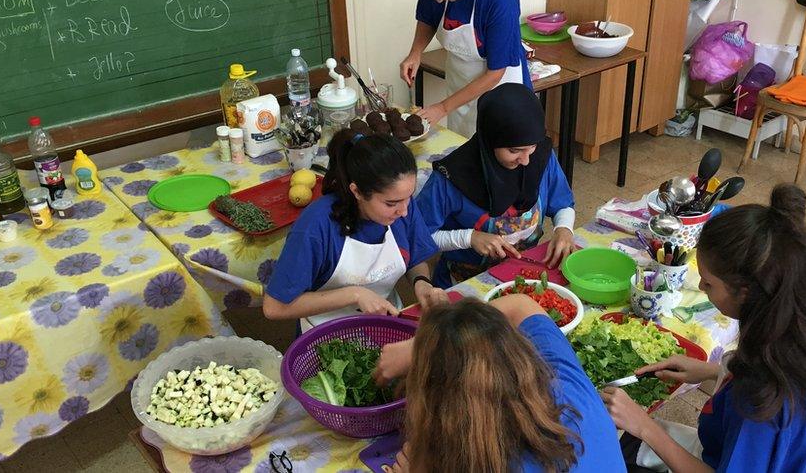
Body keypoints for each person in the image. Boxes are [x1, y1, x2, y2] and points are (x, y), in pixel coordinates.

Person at [602, 185, 806, 472]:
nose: (701, 287)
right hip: (730, 451)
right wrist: (716, 371)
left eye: (709, 283)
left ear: (746, 292)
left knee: (602, 451)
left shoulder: (758, 402)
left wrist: (645, 427)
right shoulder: (805, 326)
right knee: (621, 441)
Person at [373, 295, 627, 473]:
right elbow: (521, 304)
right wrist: (418, 348)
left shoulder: (468, 462)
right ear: (519, 353)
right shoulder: (569, 386)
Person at [263, 130, 448, 331]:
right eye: (391, 203)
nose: (404, 211)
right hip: (326, 333)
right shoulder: (316, 226)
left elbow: (416, 255)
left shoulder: (402, 206)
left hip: (386, 321)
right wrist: (354, 294)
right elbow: (274, 307)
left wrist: (421, 282)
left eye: (409, 197)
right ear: (357, 191)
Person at [414, 83, 576, 288]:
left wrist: (563, 229)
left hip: (524, 274)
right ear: (490, 141)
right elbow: (416, 235)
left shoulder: (541, 158)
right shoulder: (451, 178)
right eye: (514, 150)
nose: (526, 160)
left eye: (532, 147)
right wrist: (469, 238)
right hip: (467, 283)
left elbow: (562, 202)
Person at [400, 0, 531, 137]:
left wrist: (442, 108)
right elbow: (428, 17)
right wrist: (415, 53)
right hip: (459, 82)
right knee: (461, 146)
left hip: (499, 86)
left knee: (497, 150)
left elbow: (495, 73)